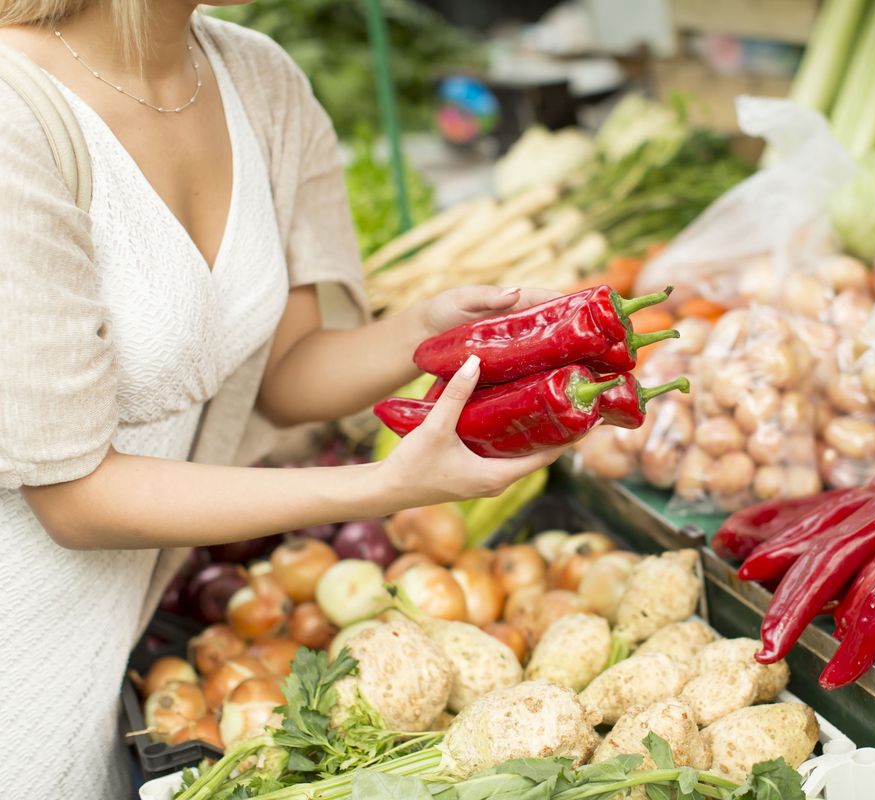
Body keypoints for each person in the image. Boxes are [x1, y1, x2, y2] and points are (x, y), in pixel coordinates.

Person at [0, 0, 562, 794]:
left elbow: (289, 373)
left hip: (118, 634)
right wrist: (381, 487)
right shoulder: (15, 114)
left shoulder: (258, 81)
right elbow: (73, 493)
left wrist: (433, 331)